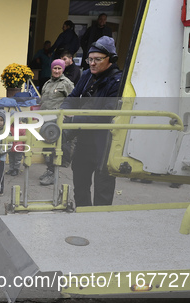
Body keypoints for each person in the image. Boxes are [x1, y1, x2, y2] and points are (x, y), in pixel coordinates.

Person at [61, 36, 122, 206]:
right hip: (84, 141)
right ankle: (82, 219)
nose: (92, 63)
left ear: (111, 59)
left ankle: (99, 226)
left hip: (105, 143)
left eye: (98, 59)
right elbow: (72, 97)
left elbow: (107, 113)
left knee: (103, 189)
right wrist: (63, 111)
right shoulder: (87, 74)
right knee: (80, 185)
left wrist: (76, 117)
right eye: (90, 59)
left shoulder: (118, 81)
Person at [37, 59, 75, 186]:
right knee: (47, 147)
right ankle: (49, 170)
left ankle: (53, 173)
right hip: (46, 119)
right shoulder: (47, 83)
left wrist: (66, 115)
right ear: (51, 69)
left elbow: (73, 100)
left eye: (59, 68)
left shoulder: (66, 83)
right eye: (55, 68)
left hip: (57, 121)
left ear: (63, 69)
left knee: (55, 148)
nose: (57, 71)